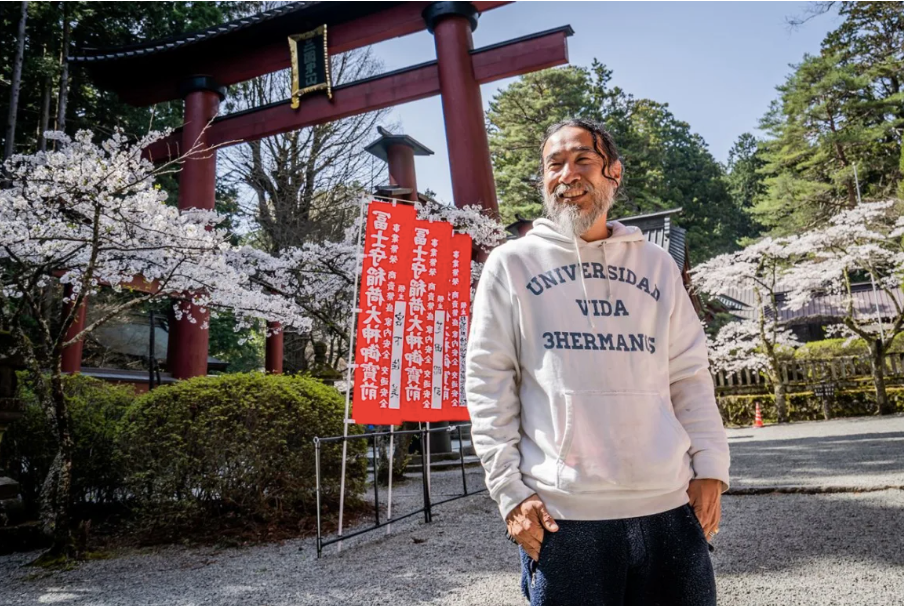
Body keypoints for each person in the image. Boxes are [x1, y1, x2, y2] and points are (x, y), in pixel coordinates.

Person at [465, 118, 730, 605]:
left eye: (583, 160)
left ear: (614, 173)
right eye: (555, 164)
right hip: (565, 516)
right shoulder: (512, 265)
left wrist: (710, 466)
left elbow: (689, 374)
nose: (568, 174)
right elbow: (488, 383)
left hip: (668, 506)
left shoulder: (656, 264)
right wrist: (509, 492)